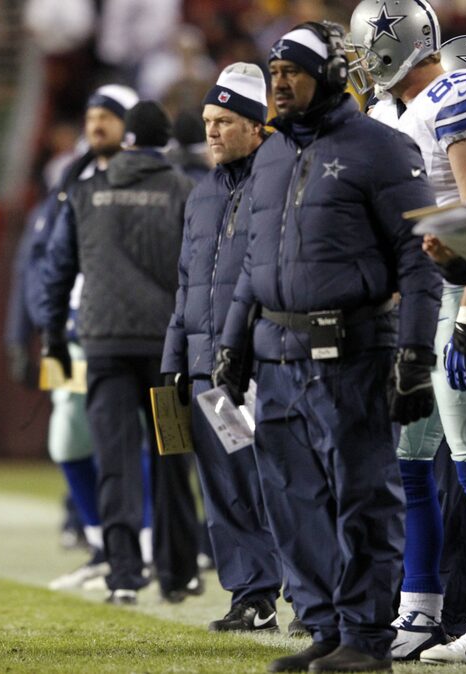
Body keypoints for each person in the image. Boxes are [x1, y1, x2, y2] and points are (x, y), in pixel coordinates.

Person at [214, 22, 442, 672]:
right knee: (292, 501)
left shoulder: (383, 148)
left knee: (365, 497)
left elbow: (421, 260)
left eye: (295, 70)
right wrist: (232, 348)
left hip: (354, 352)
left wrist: (416, 353)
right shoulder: (270, 154)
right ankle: (323, 626)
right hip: (276, 354)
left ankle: (367, 639)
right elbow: (253, 262)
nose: (278, 82)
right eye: (274, 70)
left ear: (334, 75)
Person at [347, 1, 466, 665]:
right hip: (418, 301)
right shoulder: (397, 112)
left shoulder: (461, 91)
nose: (362, 65)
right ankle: (417, 608)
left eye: (368, 48)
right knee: (412, 459)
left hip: (458, 295)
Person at [41, 100, 200, 605]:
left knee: (114, 462)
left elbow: (58, 268)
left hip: (102, 346)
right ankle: (177, 573)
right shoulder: (183, 190)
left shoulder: (85, 190)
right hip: (166, 352)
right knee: (172, 459)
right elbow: (197, 272)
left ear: (127, 139)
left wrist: (51, 338)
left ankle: (124, 575)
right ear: (167, 142)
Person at [161, 62, 284, 633]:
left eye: (226, 121)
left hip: (262, 362)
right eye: (209, 121)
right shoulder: (202, 192)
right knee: (227, 485)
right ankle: (253, 595)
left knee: (283, 482)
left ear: (258, 126)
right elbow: (186, 283)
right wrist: (174, 362)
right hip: (210, 366)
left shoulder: (281, 181)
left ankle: (314, 598)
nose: (211, 132)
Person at [22, 84, 142, 590]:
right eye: (91, 115)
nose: (96, 125)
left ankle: (147, 543)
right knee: (67, 436)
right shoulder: (72, 177)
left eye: (108, 117)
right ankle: (99, 542)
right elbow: (44, 260)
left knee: (128, 436)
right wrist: (38, 326)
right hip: (72, 328)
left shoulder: (147, 176)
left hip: (124, 328)